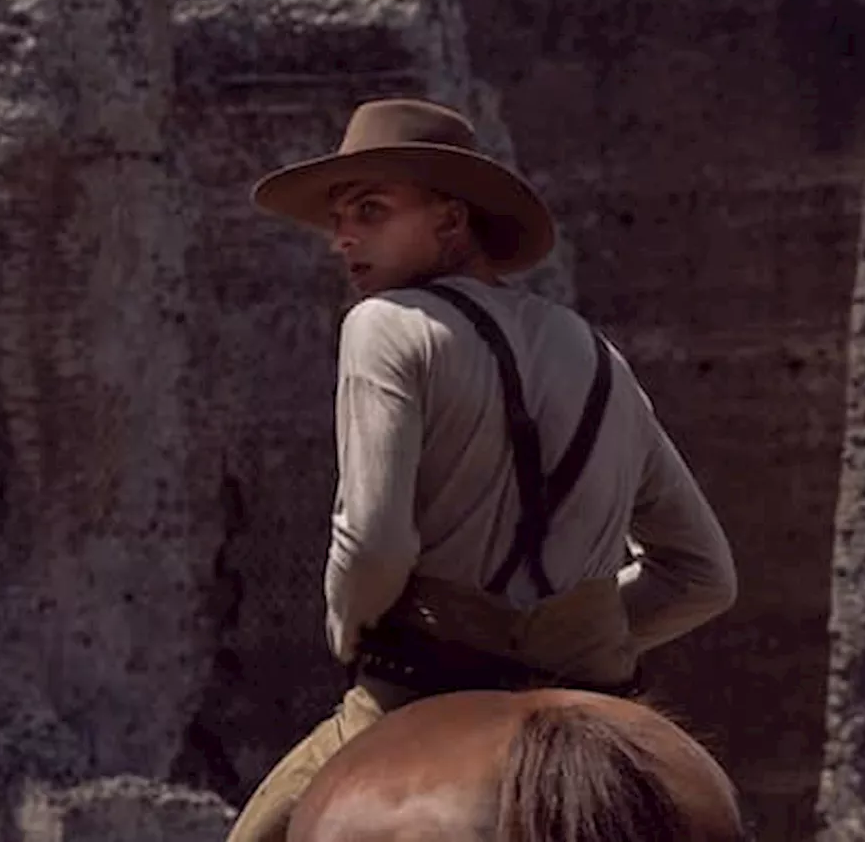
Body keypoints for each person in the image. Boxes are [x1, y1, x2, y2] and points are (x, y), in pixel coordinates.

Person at [224, 97, 738, 842]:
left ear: (450, 220)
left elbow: (373, 542)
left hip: (420, 674)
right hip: (591, 673)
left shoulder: (383, 325)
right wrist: (572, 630)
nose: (342, 238)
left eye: (370, 211)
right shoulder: (601, 358)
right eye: (338, 219)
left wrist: (349, 626)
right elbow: (703, 574)